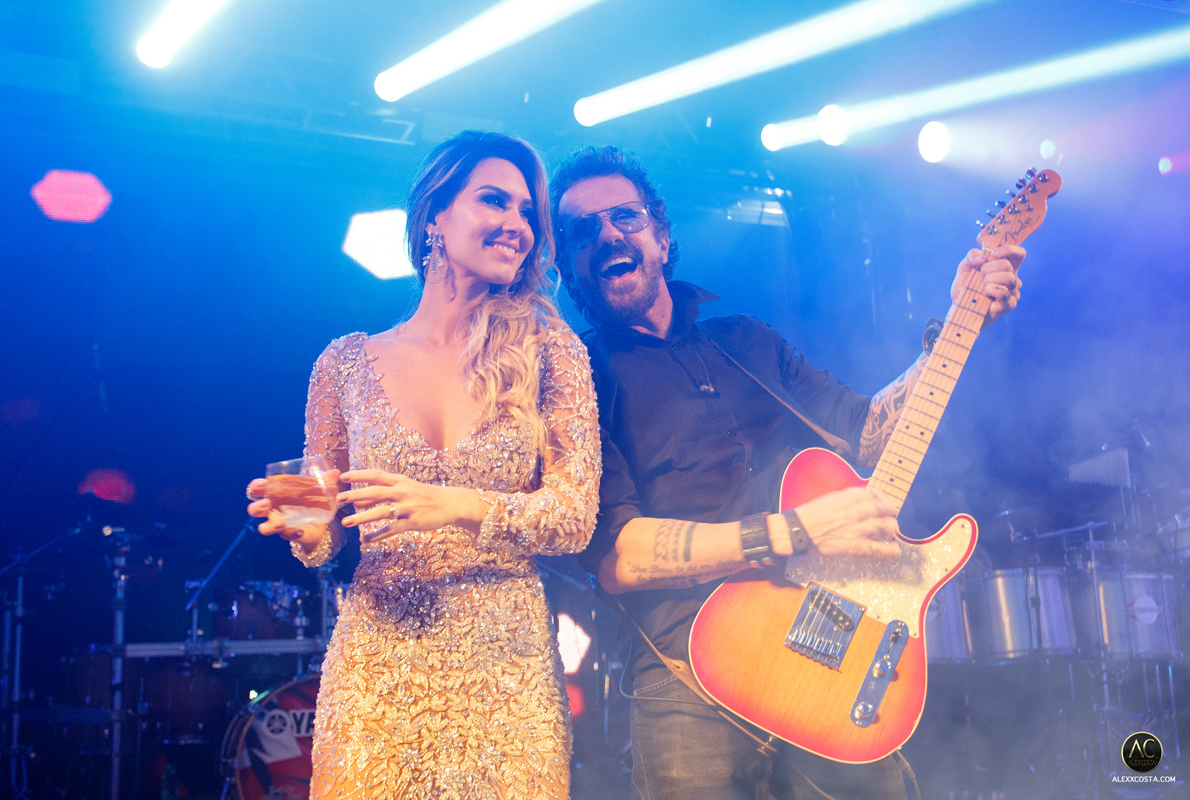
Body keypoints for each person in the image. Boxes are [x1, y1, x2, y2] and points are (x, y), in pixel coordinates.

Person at [548, 146, 1025, 800]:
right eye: (582, 230)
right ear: (567, 267)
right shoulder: (577, 381)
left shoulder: (745, 340)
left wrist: (959, 327)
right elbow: (619, 558)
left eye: (624, 216)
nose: (607, 235)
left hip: (828, 650)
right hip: (691, 676)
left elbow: (869, 432)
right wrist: (795, 530)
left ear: (660, 234)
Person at [245, 131, 601, 799]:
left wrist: (457, 504)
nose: (517, 224)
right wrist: (300, 524)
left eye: (527, 211)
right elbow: (324, 540)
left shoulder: (552, 352)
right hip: (377, 670)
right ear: (435, 215)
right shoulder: (343, 364)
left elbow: (575, 517)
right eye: (494, 200)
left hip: (507, 676)